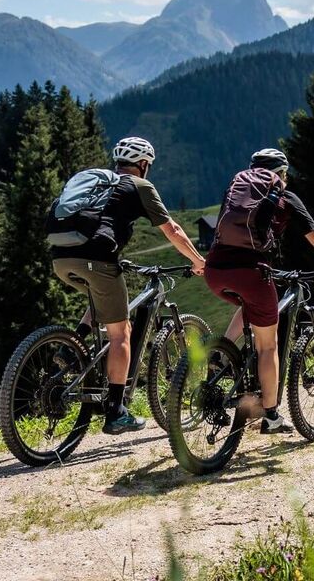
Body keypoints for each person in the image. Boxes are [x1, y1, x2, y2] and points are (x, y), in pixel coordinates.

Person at [52, 136, 206, 435]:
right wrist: (198, 260)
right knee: (122, 333)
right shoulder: (140, 186)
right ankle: (116, 412)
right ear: (144, 164)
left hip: (61, 257)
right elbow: (171, 229)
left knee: (100, 299)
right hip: (97, 260)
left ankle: (72, 348)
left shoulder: (100, 185)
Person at [204, 148, 314, 434]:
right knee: (267, 345)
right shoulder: (285, 195)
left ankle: (220, 353)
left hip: (215, 269)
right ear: (281, 173)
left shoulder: (237, 189)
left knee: (249, 307)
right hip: (251, 271)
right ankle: (270, 416)